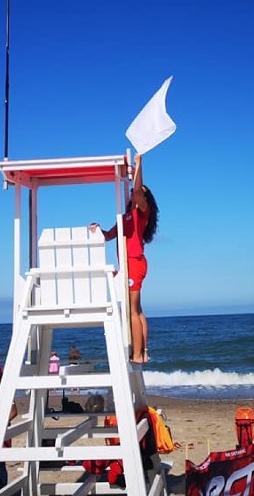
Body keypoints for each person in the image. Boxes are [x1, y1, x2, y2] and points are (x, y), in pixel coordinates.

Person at [89, 153, 159, 364]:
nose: (135, 193)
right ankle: (143, 352)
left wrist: (139, 166)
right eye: (133, 192)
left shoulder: (141, 213)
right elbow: (109, 236)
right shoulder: (125, 217)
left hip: (135, 262)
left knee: (132, 309)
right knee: (136, 310)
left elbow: (138, 189)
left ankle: (138, 354)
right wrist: (95, 228)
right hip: (128, 265)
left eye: (140, 193)